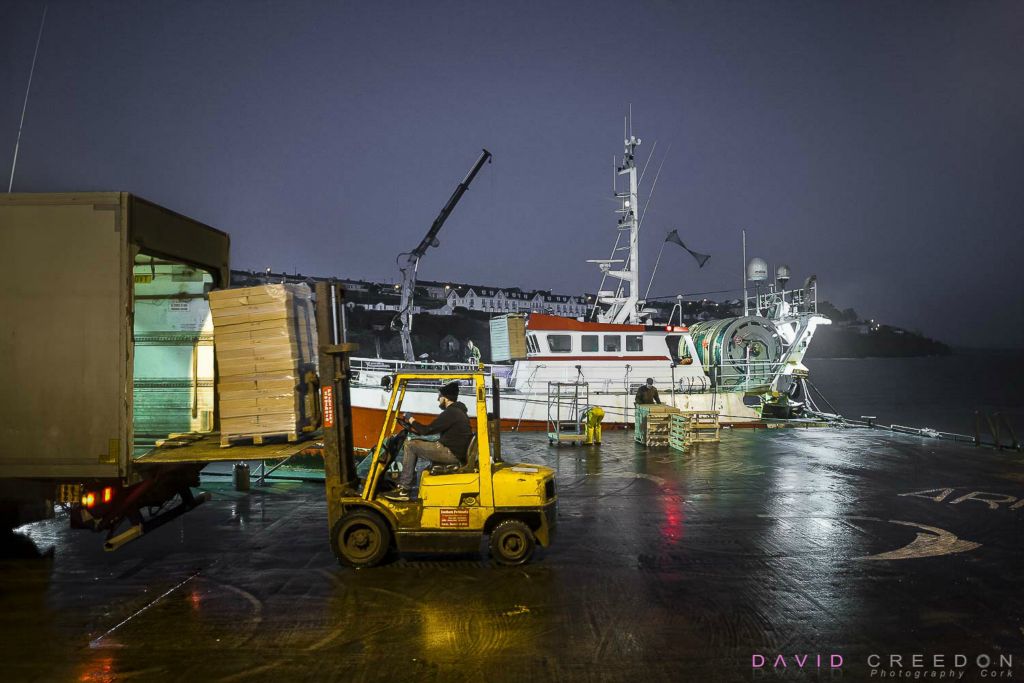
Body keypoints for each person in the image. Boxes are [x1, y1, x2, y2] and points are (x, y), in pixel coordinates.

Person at [385, 381, 472, 501]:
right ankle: (405, 486)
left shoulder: (451, 413)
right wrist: (414, 428)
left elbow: (426, 430)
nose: (438, 400)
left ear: (445, 398)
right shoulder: (458, 412)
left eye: (439, 397)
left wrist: (411, 419)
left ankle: (404, 490)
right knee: (416, 442)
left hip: (451, 453)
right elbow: (426, 431)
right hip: (454, 451)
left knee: (410, 445)